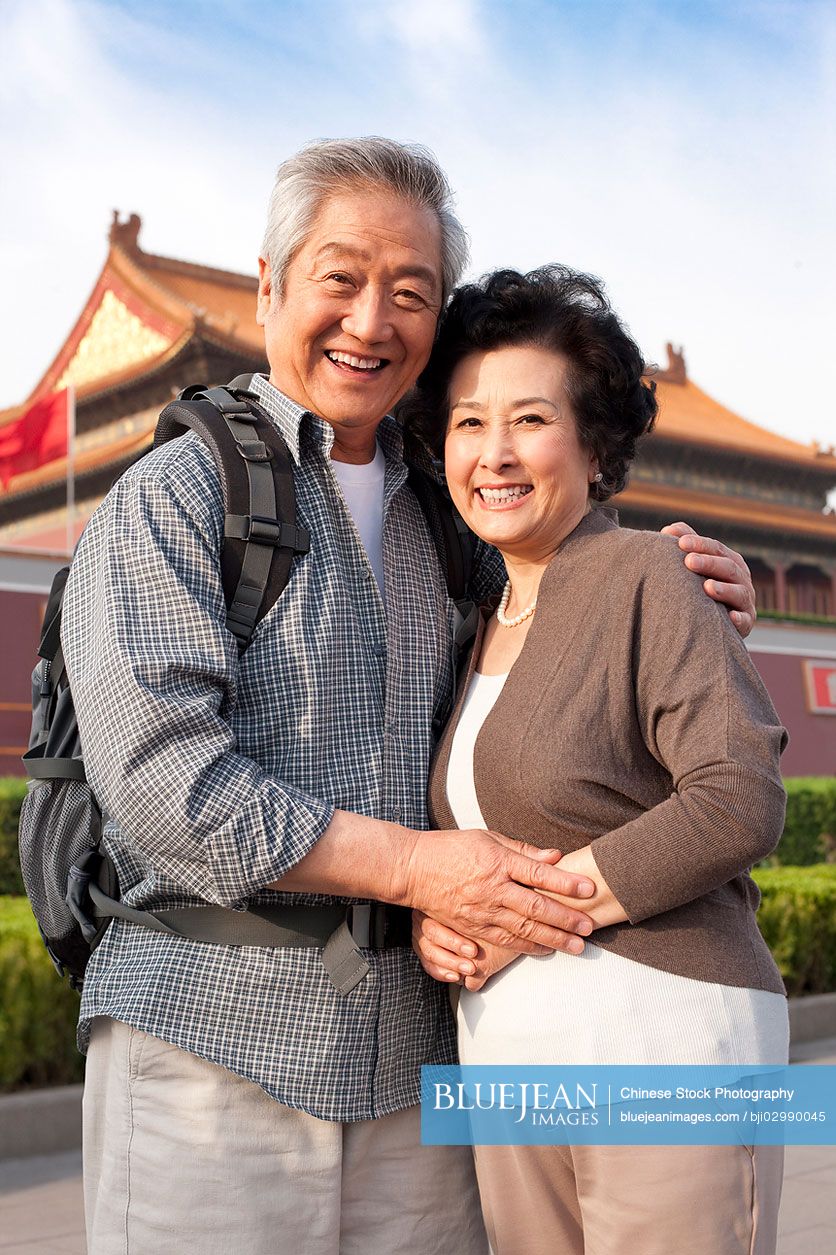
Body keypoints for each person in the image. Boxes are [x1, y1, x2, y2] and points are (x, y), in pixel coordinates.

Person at [62, 139, 758, 1255]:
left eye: (411, 293)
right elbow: (158, 780)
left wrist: (671, 586)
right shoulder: (179, 494)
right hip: (212, 1041)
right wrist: (421, 869)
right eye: (339, 278)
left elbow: (560, 637)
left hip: (422, 1054)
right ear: (269, 286)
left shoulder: (448, 505)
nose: (370, 320)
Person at [409, 265, 789, 1255]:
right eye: (465, 422)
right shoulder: (479, 615)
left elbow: (736, 798)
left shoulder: (645, 573)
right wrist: (440, 920)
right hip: (507, 1069)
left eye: (528, 419)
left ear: (593, 446)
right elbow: (488, 849)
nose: (493, 452)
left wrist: (521, 911)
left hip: (662, 1048)